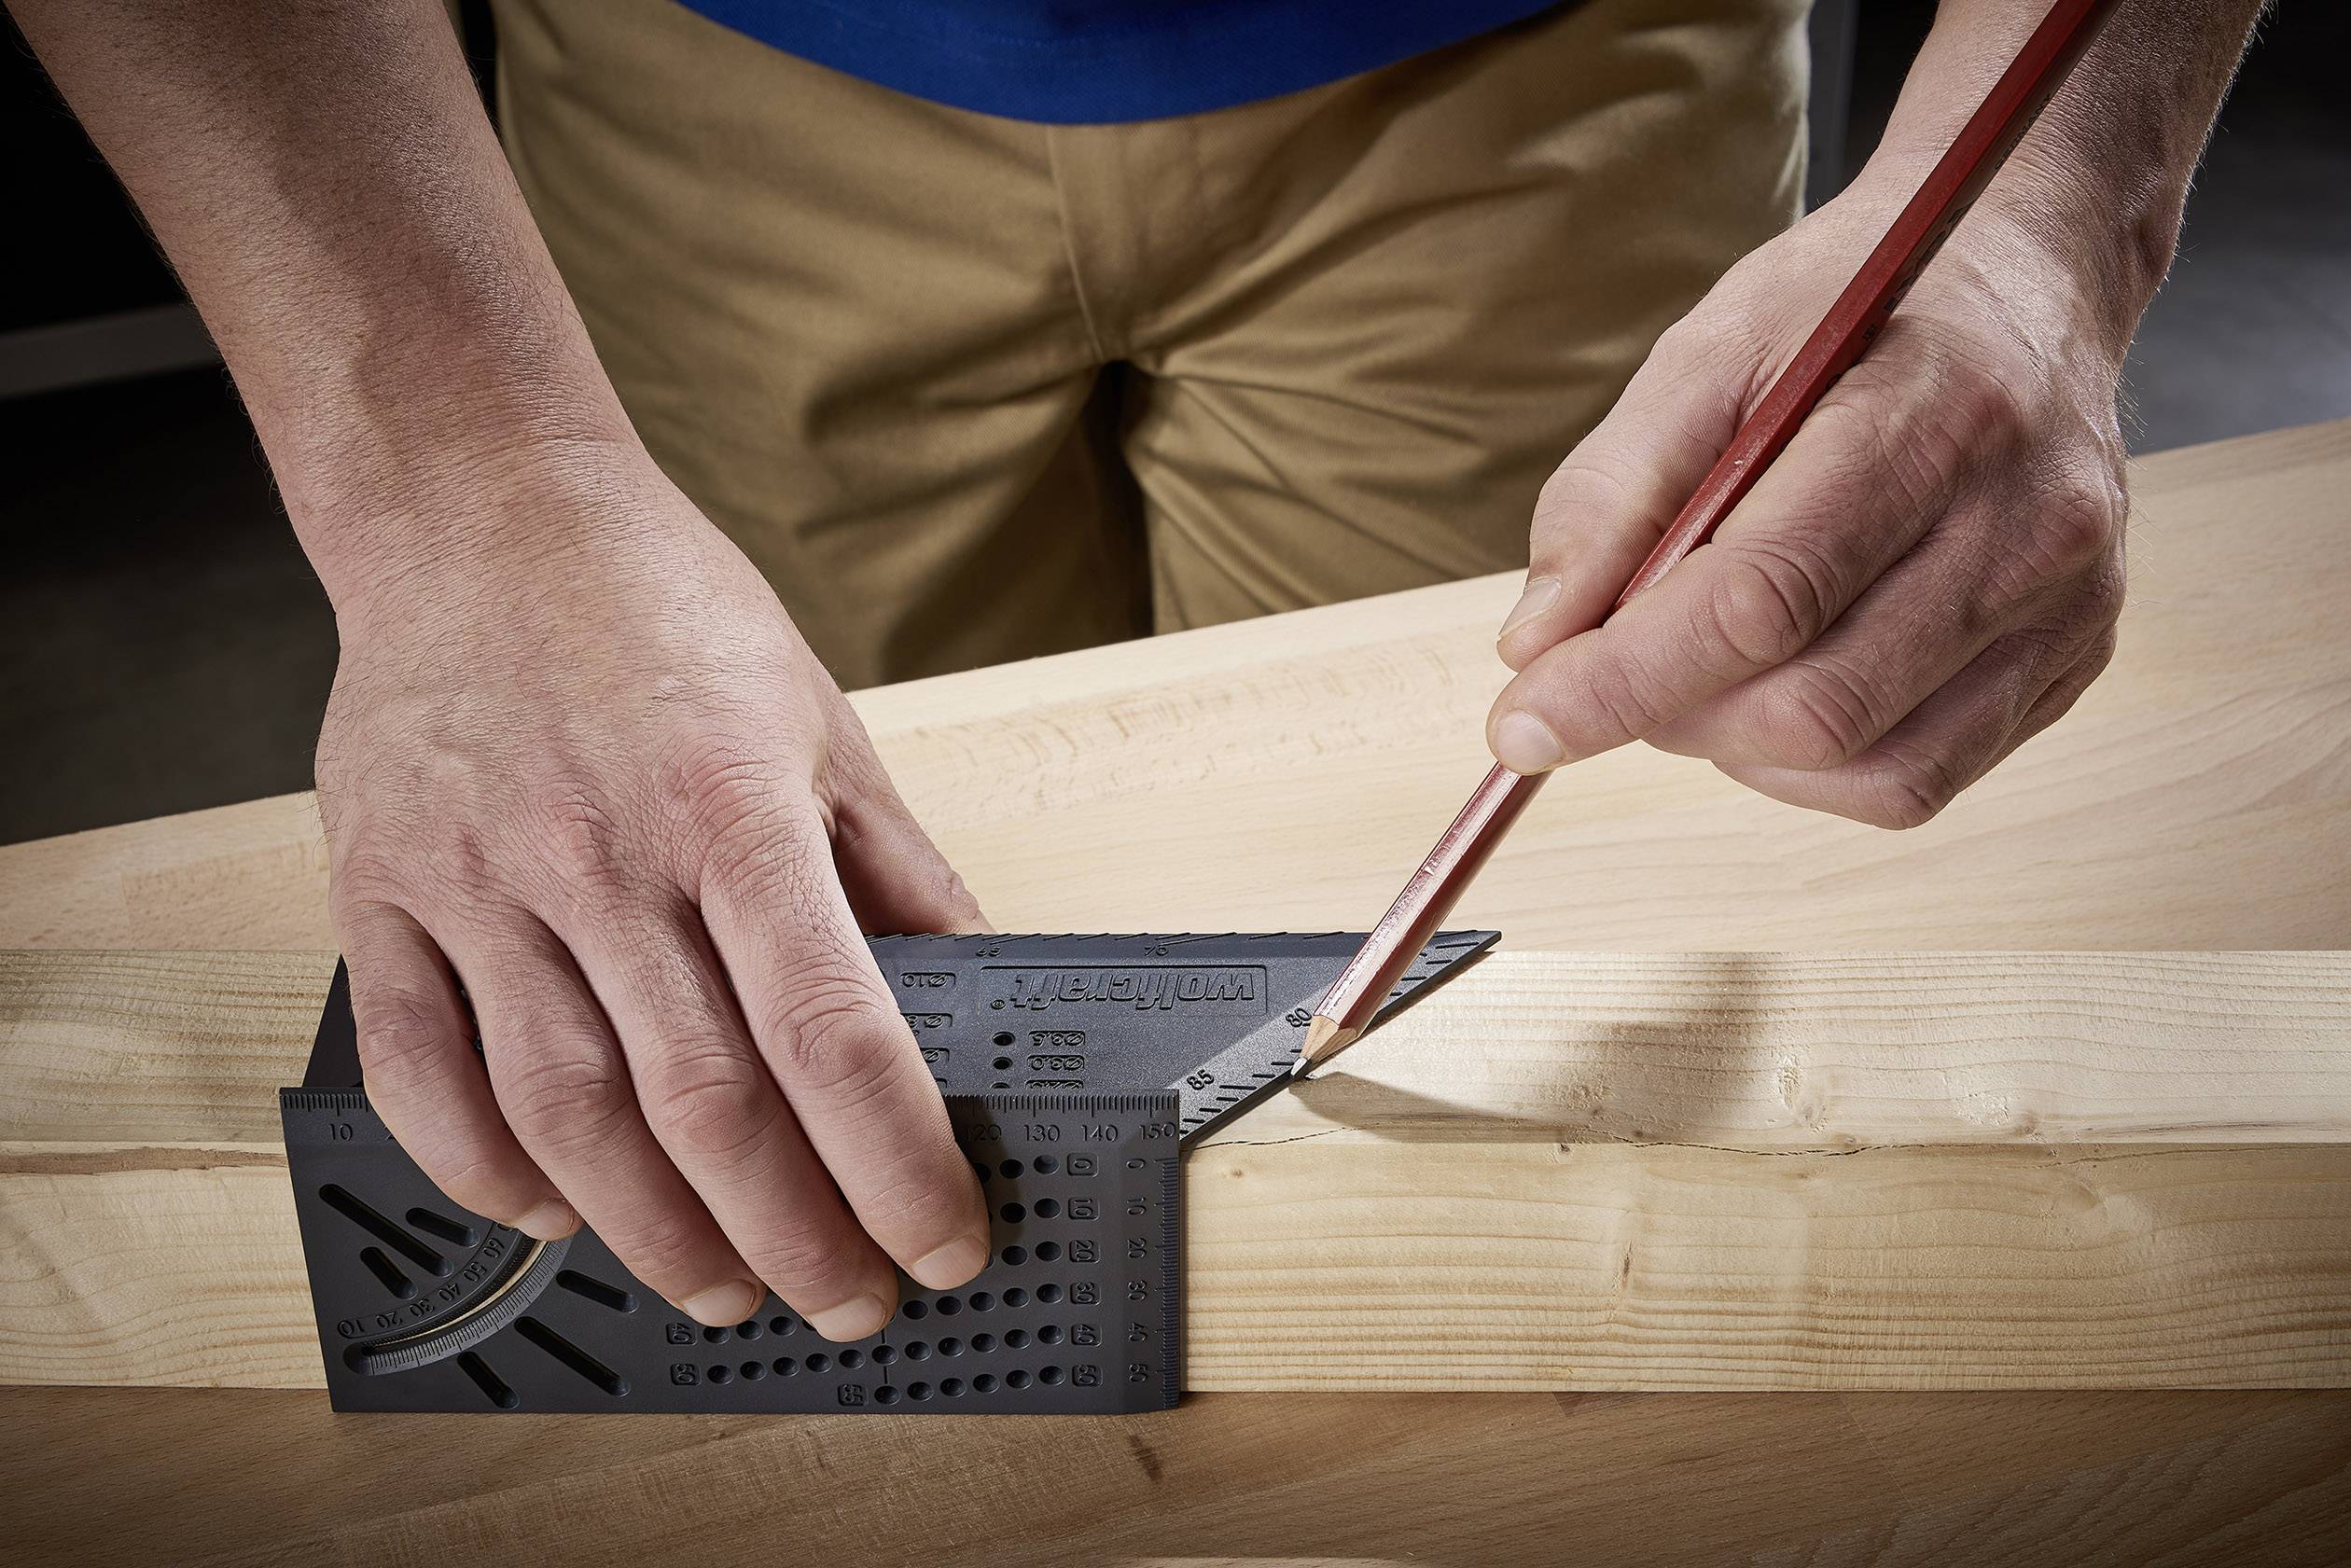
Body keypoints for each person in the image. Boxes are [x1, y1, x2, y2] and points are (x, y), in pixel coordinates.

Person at [13, 0, 2264, 1340]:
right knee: (772, 944)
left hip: (1546, 66)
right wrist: (458, 469)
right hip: (718, 62)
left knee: (1470, 949)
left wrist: (2066, 199)